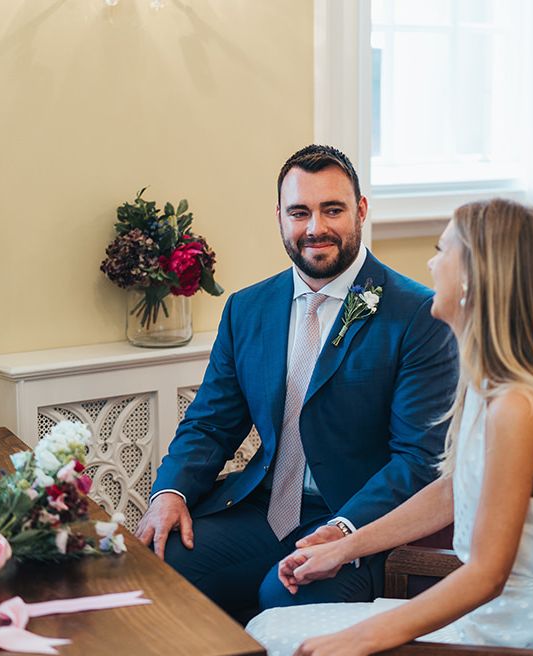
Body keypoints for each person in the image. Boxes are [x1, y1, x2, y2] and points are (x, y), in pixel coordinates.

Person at [134, 144, 458, 617]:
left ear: (361, 211)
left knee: (283, 597)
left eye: (332, 210)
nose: (315, 228)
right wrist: (170, 493)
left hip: (358, 521)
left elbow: (418, 459)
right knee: (162, 564)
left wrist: (345, 531)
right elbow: (209, 423)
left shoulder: (417, 315)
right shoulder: (247, 308)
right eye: (299, 212)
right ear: (280, 217)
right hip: (265, 509)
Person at [246, 198, 533, 656]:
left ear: (475, 276)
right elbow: (452, 492)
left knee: (284, 643)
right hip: (486, 618)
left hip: (515, 636)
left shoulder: (520, 406)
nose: (431, 263)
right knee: (270, 628)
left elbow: (486, 575)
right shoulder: (487, 387)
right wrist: (344, 546)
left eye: (443, 249)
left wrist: (363, 636)